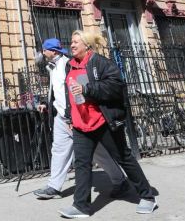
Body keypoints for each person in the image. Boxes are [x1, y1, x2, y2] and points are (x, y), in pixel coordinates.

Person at [58, 30, 157, 218]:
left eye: (76, 42)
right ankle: (81, 206)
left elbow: (115, 87)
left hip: (102, 121)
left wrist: (87, 88)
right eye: (71, 41)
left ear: (87, 45)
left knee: (123, 157)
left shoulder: (100, 62)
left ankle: (147, 196)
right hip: (81, 124)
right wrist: (70, 117)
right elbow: (68, 94)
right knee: (82, 164)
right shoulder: (70, 65)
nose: (72, 45)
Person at [33, 38, 130, 201]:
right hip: (61, 117)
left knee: (98, 153)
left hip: (76, 117)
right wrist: (46, 103)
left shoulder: (69, 65)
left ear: (53, 51)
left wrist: (75, 117)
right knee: (59, 150)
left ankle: (120, 181)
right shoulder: (52, 67)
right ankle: (54, 187)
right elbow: (56, 91)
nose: (43, 53)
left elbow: (82, 91)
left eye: (45, 50)